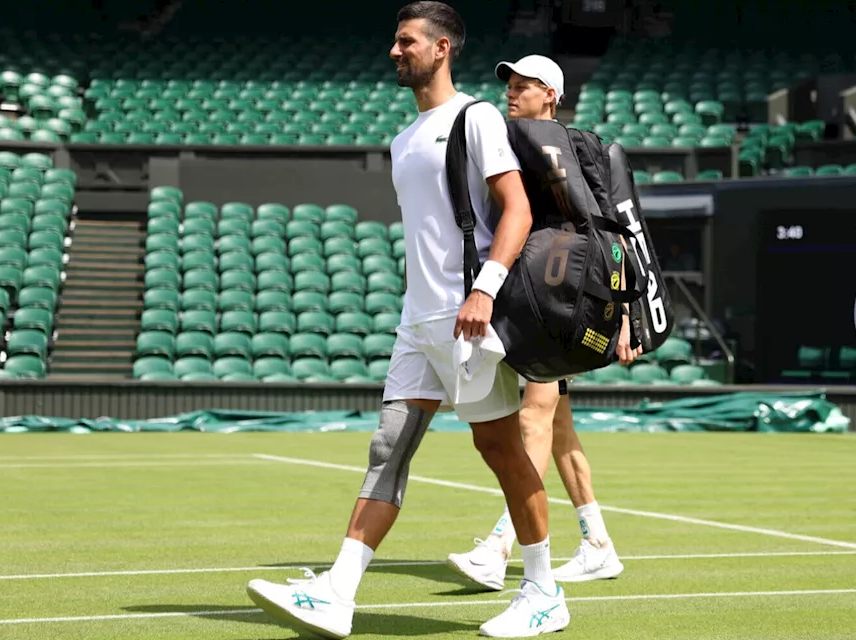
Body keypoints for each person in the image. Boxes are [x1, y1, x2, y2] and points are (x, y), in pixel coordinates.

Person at [243, 4, 569, 638]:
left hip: (469, 316)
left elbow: (517, 211)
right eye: (396, 42)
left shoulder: (476, 119)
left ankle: (543, 591)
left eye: (406, 42)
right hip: (419, 322)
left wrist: (484, 291)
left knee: (501, 451)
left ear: (442, 47)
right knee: (388, 447)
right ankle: (338, 590)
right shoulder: (402, 138)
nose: (395, 52)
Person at [446, 54, 640, 593]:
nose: (512, 93)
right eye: (509, 85)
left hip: (562, 304)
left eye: (524, 86)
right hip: (540, 299)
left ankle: (499, 546)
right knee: (558, 429)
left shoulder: (570, 150)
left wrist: (626, 314)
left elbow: (612, 234)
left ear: (550, 95)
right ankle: (598, 544)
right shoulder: (520, 147)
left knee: (532, 419)